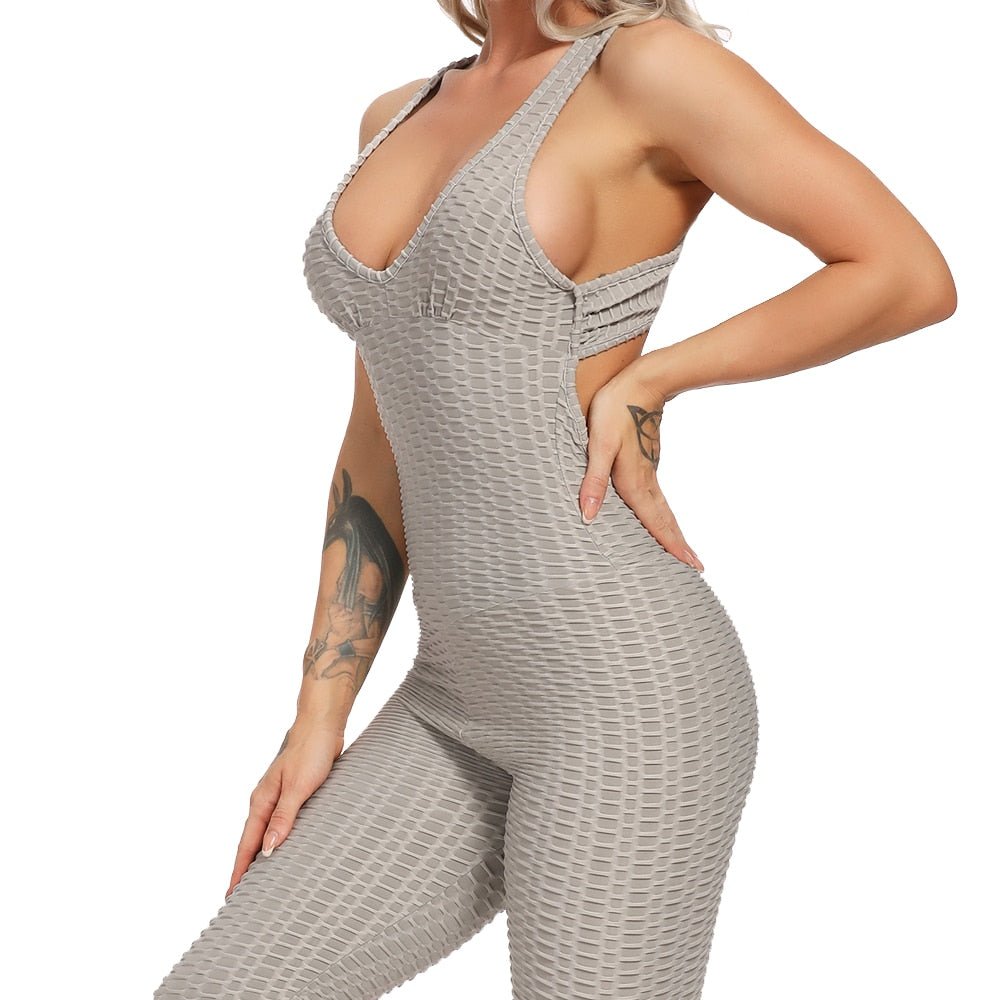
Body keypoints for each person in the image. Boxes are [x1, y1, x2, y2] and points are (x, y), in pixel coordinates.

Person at [153, 2, 957, 998]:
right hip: (452, 697)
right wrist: (319, 713)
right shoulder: (394, 116)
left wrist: (656, 377)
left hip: (623, 690)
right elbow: (376, 435)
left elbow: (904, 272)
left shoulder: (646, 67)